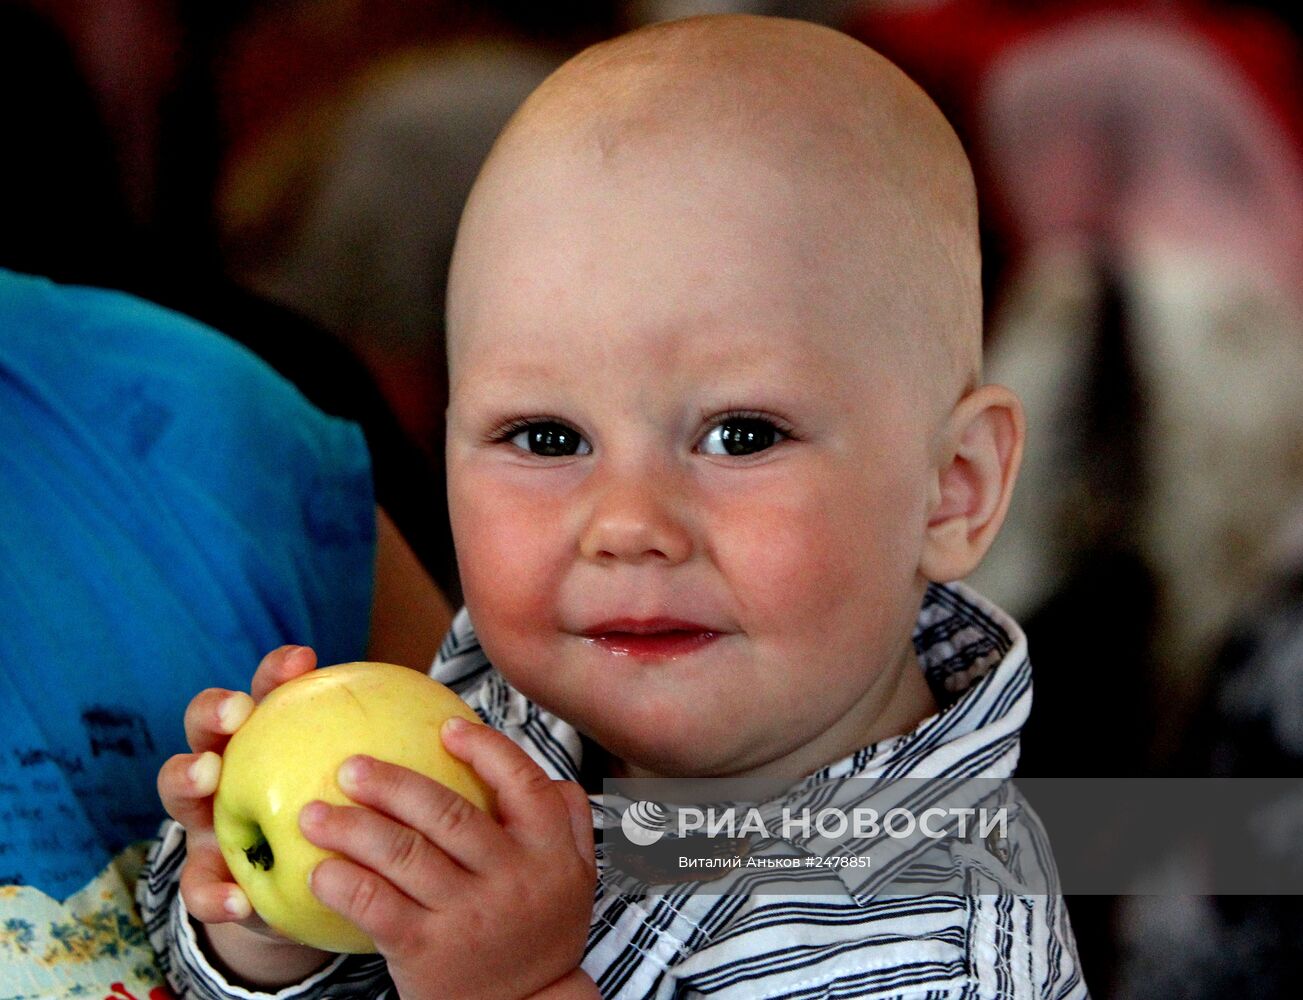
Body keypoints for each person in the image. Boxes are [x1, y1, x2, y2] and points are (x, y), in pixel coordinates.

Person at [143, 15, 1087, 999]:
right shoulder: (497, 719)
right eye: (547, 439)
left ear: (955, 485)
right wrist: (271, 931)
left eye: (740, 435)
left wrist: (515, 987)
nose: (626, 522)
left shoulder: (939, 944)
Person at [0, 265, 448, 999]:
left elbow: (675, 848)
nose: (625, 522)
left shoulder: (220, 419)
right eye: (547, 440)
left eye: (715, 438)